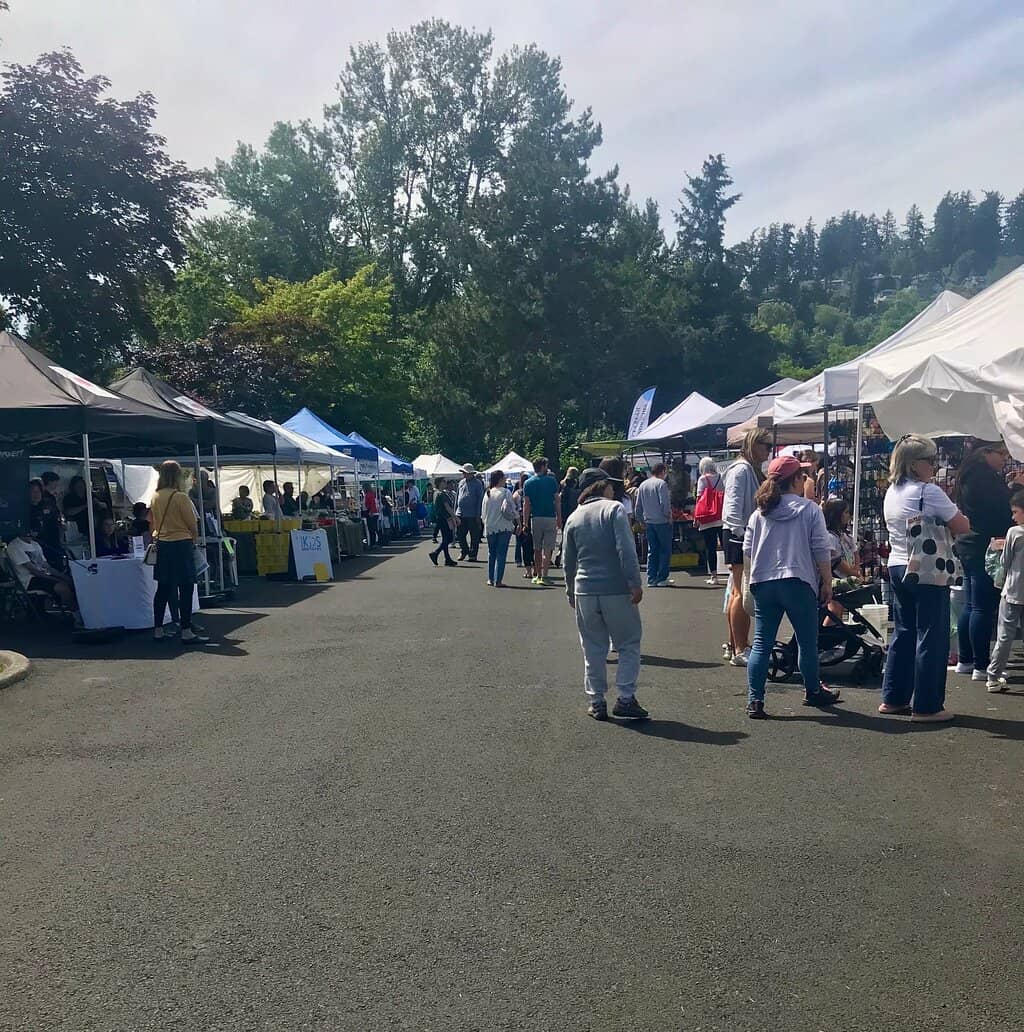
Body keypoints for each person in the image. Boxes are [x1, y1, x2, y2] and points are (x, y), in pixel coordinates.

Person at [880, 435, 970, 722]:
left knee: (904, 632)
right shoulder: (927, 492)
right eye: (930, 460)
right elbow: (961, 524)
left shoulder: (892, 491)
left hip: (897, 564)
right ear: (914, 464)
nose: (934, 465)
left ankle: (893, 698)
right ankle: (927, 705)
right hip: (926, 568)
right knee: (932, 634)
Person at [743, 456, 841, 719]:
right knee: (807, 642)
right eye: (803, 476)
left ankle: (755, 700)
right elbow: (821, 549)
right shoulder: (810, 510)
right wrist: (827, 581)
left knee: (761, 643)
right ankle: (812, 690)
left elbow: (747, 550)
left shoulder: (759, 513)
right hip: (798, 581)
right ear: (796, 479)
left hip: (764, 583)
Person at [562, 467, 648, 722]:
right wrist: (635, 582)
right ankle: (625, 697)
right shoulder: (614, 510)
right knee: (628, 643)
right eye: (610, 484)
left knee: (592, 647)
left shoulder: (574, 517)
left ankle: (596, 700)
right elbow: (626, 549)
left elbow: (568, 560)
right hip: (615, 588)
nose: (613, 488)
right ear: (600, 486)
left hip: (584, 590)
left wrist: (569, 590)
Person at [952, 441, 1017, 682]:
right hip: (983, 545)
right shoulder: (983, 478)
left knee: (971, 604)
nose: (1004, 459)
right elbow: (1000, 510)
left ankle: (966, 659)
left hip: (969, 543)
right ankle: (981, 664)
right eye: (1001, 454)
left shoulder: (968, 475)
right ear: (985, 453)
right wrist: (1015, 489)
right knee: (982, 606)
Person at [722, 429, 772, 666]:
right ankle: (739, 648)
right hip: (738, 536)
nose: (769, 450)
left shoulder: (748, 469)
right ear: (754, 444)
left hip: (741, 535)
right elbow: (732, 508)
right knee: (741, 593)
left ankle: (736, 644)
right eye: (766, 445)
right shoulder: (741, 470)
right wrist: (743, 536)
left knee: (737, 591)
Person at [150, 460, 207, 644]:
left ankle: (158, 629)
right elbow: (192, 524)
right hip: (181, 543)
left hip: (163, 543)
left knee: (163, 588)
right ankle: (186, 630)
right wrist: (194, 540)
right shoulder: (180, 497)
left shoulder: (155, 496)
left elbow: (154, 522)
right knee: (186, 587)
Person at [985, 496, 1024, 692]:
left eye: (1016, 512)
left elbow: (1005, 562)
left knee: (1005, 636)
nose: (1013, 516)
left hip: (1013, 590)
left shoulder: (1014, 533)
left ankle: (993, 675)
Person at [4, 527, 79, 620]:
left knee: (73, 583)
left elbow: (47, 566)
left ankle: (77, 611)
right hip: (28, 580)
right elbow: (34, 571)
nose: (36, 533)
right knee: (63, 587)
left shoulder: (35, 544)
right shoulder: (15, 546)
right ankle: (77, 617)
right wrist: (57, 580)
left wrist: (64, 577)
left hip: (42, 576)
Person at [522, 457, 561, 585]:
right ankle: (545, 575)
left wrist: (525, 522)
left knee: (537, 548)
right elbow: (557, 500)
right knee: (548, 548)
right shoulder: (551, 481)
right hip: (550, 517)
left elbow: (526, 504)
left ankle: (538, 574)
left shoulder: (528, 483)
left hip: (536, 518)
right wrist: (559, 517)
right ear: (543, 467)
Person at [635, 462, 674, 588]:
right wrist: (668, 516)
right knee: (665, 550)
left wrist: (641, 520)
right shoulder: (661, 484)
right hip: (662, 522)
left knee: (652, 550)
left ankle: (651, 578)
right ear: (662, 471)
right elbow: (664, 503)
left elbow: (638, 506)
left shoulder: (643, 485)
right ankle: (662, 578)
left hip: (649, 522)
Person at [482, 470, 517, 586]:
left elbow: (483, 513)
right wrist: (518, 521)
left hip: (490, 526)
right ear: (500, 479)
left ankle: (490, 578)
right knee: (501, 554)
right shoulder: (506, 492)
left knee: (491, 553)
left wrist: (486, 523)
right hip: (504, 526)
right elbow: (512, 508)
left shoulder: (487, 493)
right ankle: (498, 580)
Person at [695, 457, 724, 587]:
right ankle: (732, 571)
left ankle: (714, 575)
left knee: (710, 548)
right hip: (721, 516)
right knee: (725, 545)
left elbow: (699, 498)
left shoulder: (702, 479)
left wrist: (696, 518)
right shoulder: (720, 477)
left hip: (707, 518)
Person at [29, 477, 64, 567]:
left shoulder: (48, 503)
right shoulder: (25, 509)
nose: (36, 494)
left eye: (38, 491)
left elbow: (59, 519)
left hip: (54, 544)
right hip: (37, 546)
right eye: (33, 492)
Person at [62, 474, 107, 541]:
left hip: (92, 526)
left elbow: (104, 506)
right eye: (77, 485)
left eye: (82, 484)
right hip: (75, 527)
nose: (80, 487)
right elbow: (68, 512)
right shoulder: (69, 498)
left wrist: (98, 503)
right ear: (73, 486)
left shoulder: (90, 495)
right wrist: (86, 506)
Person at [455, 464, 485, 561]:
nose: (464, 474)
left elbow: (480, 499)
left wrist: (478, 515)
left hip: (473, 514)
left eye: (465, 473)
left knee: (474, 536)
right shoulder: (461, 482)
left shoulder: (478, 483)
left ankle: (473, 554)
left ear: (471, 473)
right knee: (460, 534)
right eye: (463, 472)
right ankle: (464, 550)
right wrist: (455, 512)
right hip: (460, 513)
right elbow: (457, 497)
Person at [428, 478, 458, 567]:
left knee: (446, 538)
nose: (446, 483)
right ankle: (436, 552)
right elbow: (447, 507)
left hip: (441, 518)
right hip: (445, 518)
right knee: (448, 538)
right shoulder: (441, 494)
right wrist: (455, 517)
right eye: (444, 481)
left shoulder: (437, 493)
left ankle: (447, 558)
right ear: (440, 483)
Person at [513, 477, 535, 578]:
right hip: (533, 519)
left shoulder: (516, 494)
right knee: (534, 546)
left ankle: (528, 570)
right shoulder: (534, 493)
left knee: (524, 545)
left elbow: (513, 509)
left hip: (521, 520)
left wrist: (516, 523)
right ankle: (535, 568)